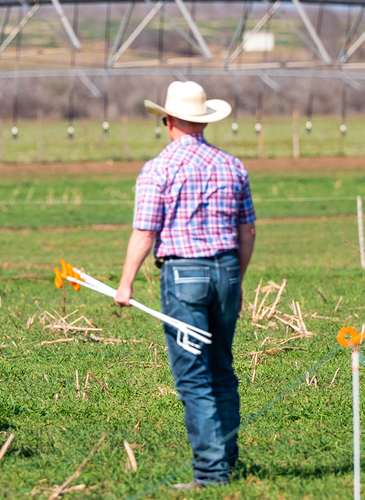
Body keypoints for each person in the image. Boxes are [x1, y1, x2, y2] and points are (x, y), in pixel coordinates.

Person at [113, 81, 257, 491]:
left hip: (184, 275)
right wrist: (237, 278)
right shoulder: (233, 165)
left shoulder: (159, 168)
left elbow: (144, 232)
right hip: (228, 269)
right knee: (222, 368)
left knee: (193, 376)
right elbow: (248, 231)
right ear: (203, 121)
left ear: (168, 120)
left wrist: (125, 284)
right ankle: (226, 461)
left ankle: (211, 474)